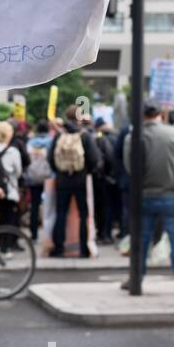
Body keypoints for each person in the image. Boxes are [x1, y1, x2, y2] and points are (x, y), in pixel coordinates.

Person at [121, 100, 174, 294]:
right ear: (160, 114)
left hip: (144, 195)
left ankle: (136, 278)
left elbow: (130, 168)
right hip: (169, 195)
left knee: (142, 239)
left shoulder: (133, 137)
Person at [50, 104, 101, 258]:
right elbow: (95, 159)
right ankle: (84, 249)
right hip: (80, 179)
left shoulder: (59, 135)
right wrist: (87, 171)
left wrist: (60, 171)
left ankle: (58, 248)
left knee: (60, 213)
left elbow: (50, 158)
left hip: (62, 179)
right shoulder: (85, 135)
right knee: (83, 214)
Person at [0, 121, 24, 250]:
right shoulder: (13, 152)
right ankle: (4, 248)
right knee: (7, 220)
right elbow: (18, 172)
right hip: (8, 191)